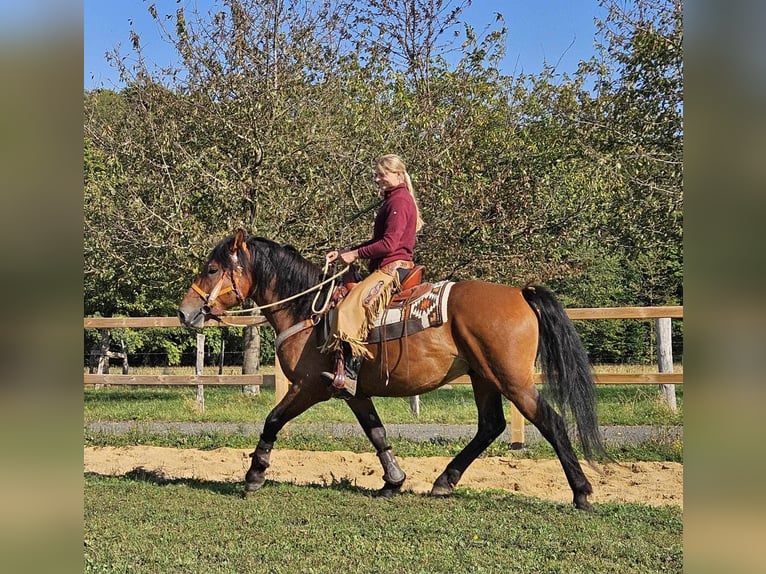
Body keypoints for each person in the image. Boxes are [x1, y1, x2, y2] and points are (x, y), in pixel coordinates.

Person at [321, 154, 424, 397]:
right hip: (389, 266)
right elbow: (379, 241)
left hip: (391, 269)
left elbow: (388, 245)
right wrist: (346, 253)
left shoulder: (398, 202)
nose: (376, 179)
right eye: (376, 174)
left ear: (398, 174)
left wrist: (356, 254)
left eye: (381, 174)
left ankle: (348, 374)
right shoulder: (395, 200)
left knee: (348, 308)